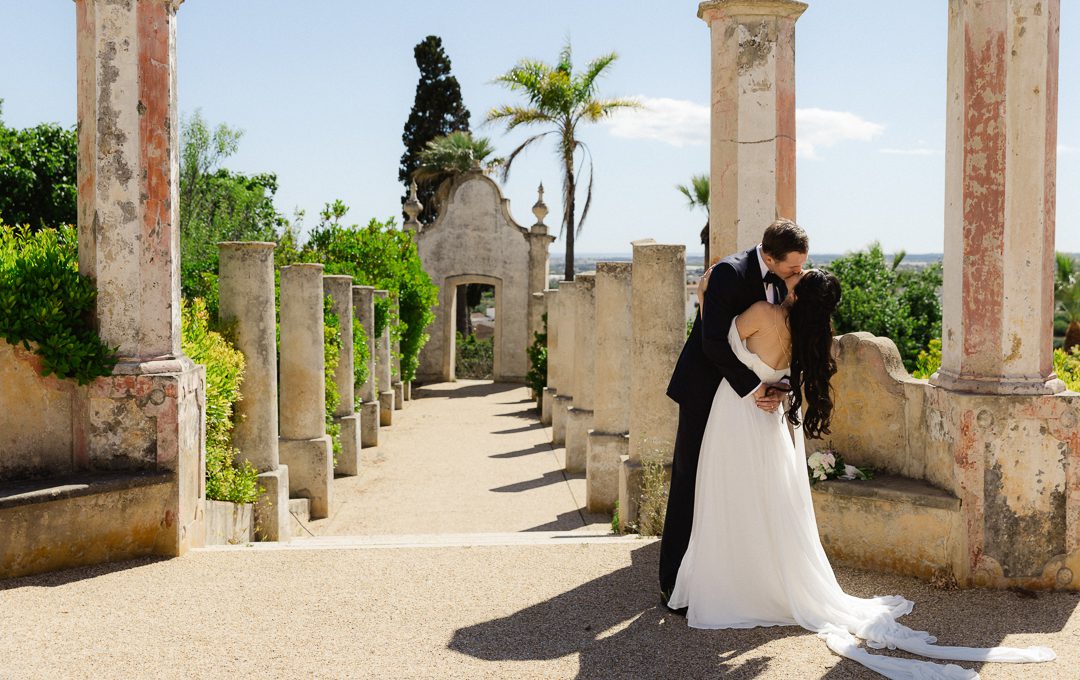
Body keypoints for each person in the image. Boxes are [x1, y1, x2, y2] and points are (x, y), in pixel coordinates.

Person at [667, 266, 1056, 678]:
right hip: (770, 422)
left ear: (798, 294)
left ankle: (733, 585)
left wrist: (705, 294)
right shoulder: (809, 336)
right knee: (767, 502)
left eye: (798, 276)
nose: (791, 276)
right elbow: (785, 373)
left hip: (737, 414)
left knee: (729, 496)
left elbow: (718, 341)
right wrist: (778, 387)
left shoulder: (764, 312)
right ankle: (759, 581)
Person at [660, 218, 808, 601]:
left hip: (746, 400)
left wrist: (779, 387)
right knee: (691, 477)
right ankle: (674, 581)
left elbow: (784, 346)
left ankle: (725, 576)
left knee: (733, 484)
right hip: (705, 389)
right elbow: (712, 342)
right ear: (770, 258)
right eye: (793, 266)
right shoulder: (729, 273)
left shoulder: (788, 282)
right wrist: (756, 388)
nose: (799, 272)